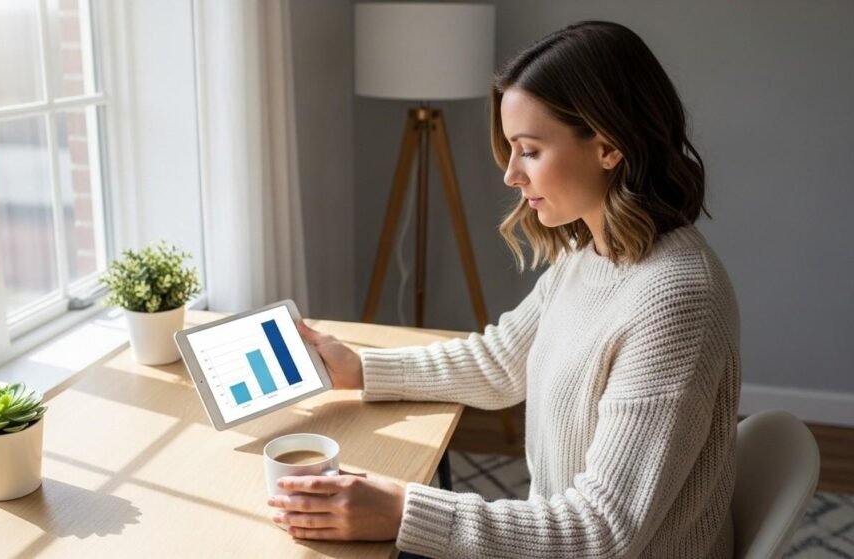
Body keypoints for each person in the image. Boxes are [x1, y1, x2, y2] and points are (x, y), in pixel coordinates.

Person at [267, 20, 740, 559]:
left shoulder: (676, 299)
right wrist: (362, 370)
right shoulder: (592, 251)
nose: (511, 175)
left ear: (609, 147)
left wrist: (403, 511)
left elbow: (601, 532)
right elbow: (501, 361)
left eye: (530, 150)